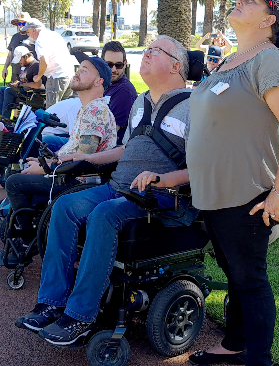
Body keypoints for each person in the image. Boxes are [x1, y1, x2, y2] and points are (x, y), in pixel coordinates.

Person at [15, 36, 197, 346]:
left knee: (104, 215)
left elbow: (203, 167)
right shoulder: (141, 102)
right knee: (64, 206)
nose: (147, 54)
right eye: (147, 49)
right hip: (118, 188)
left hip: (159, 198)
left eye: (155, 51)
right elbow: (124, 149)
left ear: (177, 65)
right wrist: (86, 158)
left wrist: (162, 179)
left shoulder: (195, 107)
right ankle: (51, 303)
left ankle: (80, 316)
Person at [185, 0, 279, 366]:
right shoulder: (228, 60)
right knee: (236, 275)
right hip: (214, 194)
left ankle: (259, 358)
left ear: (269, 20)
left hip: (248, 195)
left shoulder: (271, 60)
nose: (239, 2)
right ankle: (236, 345)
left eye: (251, 0)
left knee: (251, 279)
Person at [3, 57, 116, 213]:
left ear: (99, 81)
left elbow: (82, 160)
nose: (77, 73)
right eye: (79, 69)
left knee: (14, 182)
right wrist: (46, 162)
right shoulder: (87, 109)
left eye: (84, 70)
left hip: (75, 181)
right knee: (23, 171)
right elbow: (73, 150)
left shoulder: (95, 111)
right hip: (68, 174)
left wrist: (46, 168)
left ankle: (26, 232)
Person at [22, 19, 79, 107]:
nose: (27, 34)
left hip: (56, 77)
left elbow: (44, 61)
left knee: (51, 111)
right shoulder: (54, 34)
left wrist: (38, 76)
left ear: (33, 30)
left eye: (28, 31)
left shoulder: (40, 40)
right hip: (70, 75)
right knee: (64, 110)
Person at [100, 41, 138, 145]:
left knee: (51, 141)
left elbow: (109, 133)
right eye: (109, 64)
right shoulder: (103, 84)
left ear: (125, 64)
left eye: (119, 65)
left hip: (107, 149)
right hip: (90, 138)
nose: (113, 69)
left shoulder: (124, 91)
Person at [0, 46, 45, 120]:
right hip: (23, 90)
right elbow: (23, 80)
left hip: (31, 94)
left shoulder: (35, 66)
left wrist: (21, 84)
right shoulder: (24, 66)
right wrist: (16, 83)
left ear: (26, 57)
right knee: (1, 90)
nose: (19, 62)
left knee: (8, 91)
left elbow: (38, 85)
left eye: (20, 60)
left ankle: (6, 119)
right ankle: (2, 115)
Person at [2, 12, 36, 83]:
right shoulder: (14, 37)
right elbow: (10, 54)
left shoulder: (33, 37)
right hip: (15, 73)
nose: (21, 26)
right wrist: (5, 68)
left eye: (24, 23)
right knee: (12, 92)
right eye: (19, 24)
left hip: (28, 75)